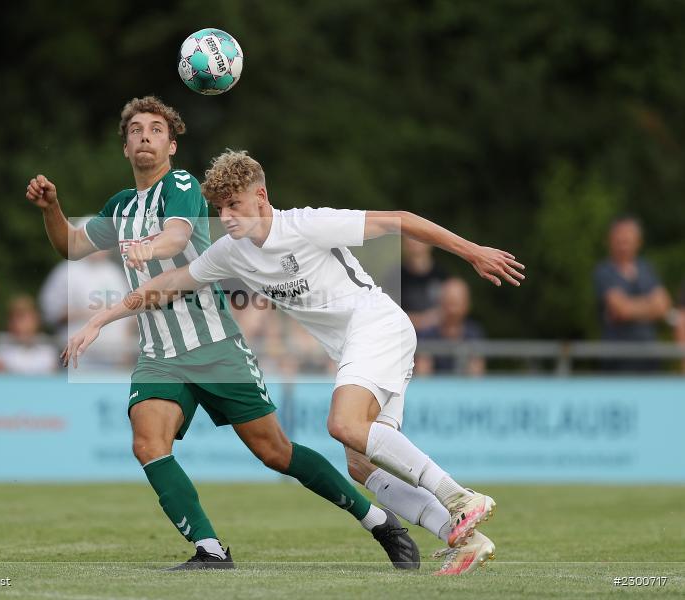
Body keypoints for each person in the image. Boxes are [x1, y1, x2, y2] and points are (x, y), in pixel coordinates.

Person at [66, 150, 527, 575]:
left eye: (234, 205)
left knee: (343, 425)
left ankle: (459, 497)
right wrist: (100, 320)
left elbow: (399, 221)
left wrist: (473, 252)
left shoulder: (306, 224)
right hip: (355, 346)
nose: (225, 217)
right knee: (362, 465)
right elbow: (170, 282)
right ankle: (461, 535)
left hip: (379, 324)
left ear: (261, 197)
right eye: (219, 209)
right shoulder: (230, 251)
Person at [26, 98, 419, 571]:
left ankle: (379, 521)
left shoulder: (183, 184)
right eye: (135, 130)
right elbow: (69, 245)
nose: (144, 136)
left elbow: (174, 238)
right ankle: (211, 551)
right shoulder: (121, 206)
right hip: (159, 354)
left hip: (214, 346)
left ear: (171, 144)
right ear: (126, 146)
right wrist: (53, 208)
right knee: (148, 443)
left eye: (155, 129)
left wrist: (145, 248)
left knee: (275, 452)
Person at [38, 223, 134, 369]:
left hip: (113, 357)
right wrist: (90, 314)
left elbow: (129, 316)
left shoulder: (114, 272)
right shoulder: (66, 271)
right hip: (78, 358)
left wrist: (125, 352)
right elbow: (51, 311)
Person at [592, 216, 671, 371]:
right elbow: (622, 309)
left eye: (627, 241)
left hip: (649, 358)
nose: (623, 246)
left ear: (638, 242)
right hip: (617, 360)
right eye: (619, 241)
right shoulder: (604, 271)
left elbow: (664, 306)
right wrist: (650, 305)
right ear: (609, 241)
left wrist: (630, 306)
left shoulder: (647, 269)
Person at [415, 278, 486, 376]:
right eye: (449, 303)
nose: (452, 310)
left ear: (466, 305)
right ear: (440, 303)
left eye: (456, 304)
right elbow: (422, 378)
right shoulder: (427, 334)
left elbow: (476, 377)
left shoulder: (474, 333)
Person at [382, 238, 448, 331]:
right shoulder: (394, 277)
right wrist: (423, 320)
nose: (413, 243)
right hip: (404, 333)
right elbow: (387, 312)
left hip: (438, 336)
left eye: (417, 238)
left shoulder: (442, 275)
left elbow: (452, 310)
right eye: (409, 239)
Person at [0, 295, 58, 375]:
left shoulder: (48, 345)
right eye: (14, 317)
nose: (18, 323)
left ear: (36, 319)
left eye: (23, 317)